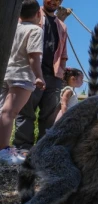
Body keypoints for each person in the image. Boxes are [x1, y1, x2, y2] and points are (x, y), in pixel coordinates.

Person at [13, 0, 68, 154]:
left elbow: (63, 53)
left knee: (50, 115)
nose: (54, 2)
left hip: (53, 75)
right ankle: (23, 147)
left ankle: (43, 149)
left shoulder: (62, 26)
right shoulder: (31, 16)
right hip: (32, 72)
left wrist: (61, 72)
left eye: (58, 0)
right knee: (26, 111)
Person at [0, 0, 45, 165]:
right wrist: (39, 76)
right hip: (22, 75)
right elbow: (34, 56)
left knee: (2, 111)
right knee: (9, 112)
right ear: (38, 13)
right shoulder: (35, 30)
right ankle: (3, 150)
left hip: (6, 72)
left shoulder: (12, 27)